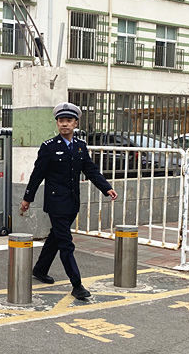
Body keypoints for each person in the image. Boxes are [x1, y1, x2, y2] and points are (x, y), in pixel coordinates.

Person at [19, 102, 118, 301]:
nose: (64, 124)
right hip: (56, 203)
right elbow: (37, 174)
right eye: (61, 121)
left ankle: (39, 269)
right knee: (66, 243)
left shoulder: (80, 146)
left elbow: (90, 170)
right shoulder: (49, 147)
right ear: (57, 123)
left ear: (75, 123)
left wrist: (106, 187)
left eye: (68, 121)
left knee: (56, 236)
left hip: (72, 202)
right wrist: (27, 198)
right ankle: (77, 284)